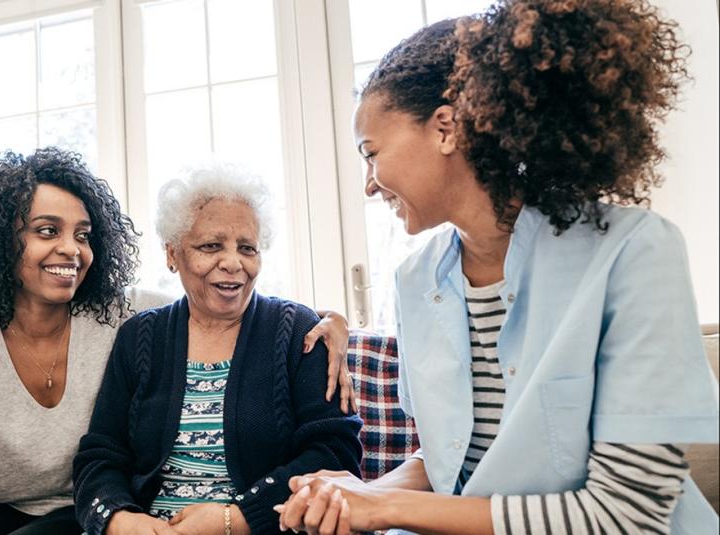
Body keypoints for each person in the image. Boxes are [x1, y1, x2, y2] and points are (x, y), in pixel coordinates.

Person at [277, 1, 719, 534]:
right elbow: (450, 462)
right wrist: (354, 494)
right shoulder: (414, 281)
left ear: (445, 129)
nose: (369, 183)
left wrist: (386, 508)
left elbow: (626, 514)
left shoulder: (633, 252)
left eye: (371, 152)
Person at [0, 148, 353, 535]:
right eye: (47, 230)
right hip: (6, 504)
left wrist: (332, 320)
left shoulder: (125, 315)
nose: (71, 250)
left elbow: (228, 305)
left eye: (82, 235)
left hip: (75, 510)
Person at [72, 162, 363, 535]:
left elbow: (335, 452)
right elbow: (101, 454)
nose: (232, 263)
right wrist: (118, 518)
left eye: (247, 248)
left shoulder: (298, 332)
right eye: (211, 246)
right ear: (173, 254)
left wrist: (238, 519)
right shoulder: (140, 336)